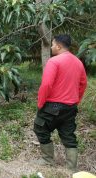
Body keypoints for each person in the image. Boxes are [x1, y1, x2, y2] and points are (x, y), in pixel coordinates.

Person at [33, 34, 87, 172]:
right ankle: (71, 167)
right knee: (68, 134)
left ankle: (47, 159)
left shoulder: (54, 61)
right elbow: (83, 84)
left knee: (40, 128)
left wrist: (40, 103)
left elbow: (46, 84)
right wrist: (76, 100)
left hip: (52, 105)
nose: (51, 47)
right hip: (70, 106)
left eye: (52, 44)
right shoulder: (78, 62)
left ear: (58, 46)